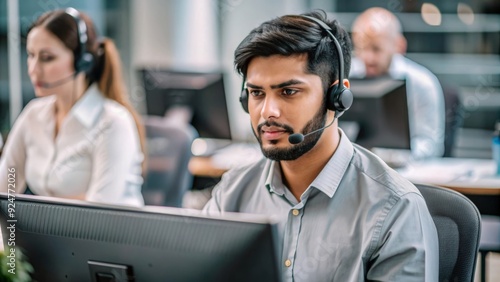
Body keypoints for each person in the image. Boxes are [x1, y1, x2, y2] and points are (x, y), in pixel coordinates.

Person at [203, 11, 438, 281]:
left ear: (337, 98)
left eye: (288, 92)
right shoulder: (231, 193)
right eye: (257, 93)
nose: (268, 112)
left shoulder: (396, 209)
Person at [0, 8, 146, 207]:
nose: (33, 69)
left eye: (47, 58)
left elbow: (98, 212)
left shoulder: (113, 123)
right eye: (31, 55)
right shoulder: (33, 115)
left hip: (108, 237)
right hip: (48, 237)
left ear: (82, 62)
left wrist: (36, 211)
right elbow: (4, 190)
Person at [350, 7, 445, 160]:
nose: (367, 58)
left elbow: (431, 145)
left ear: (399, 46)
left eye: (376, 49)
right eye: (360, 48)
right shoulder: (346, 77)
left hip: (404, 175)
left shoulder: (423, 83)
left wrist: (385, 156)